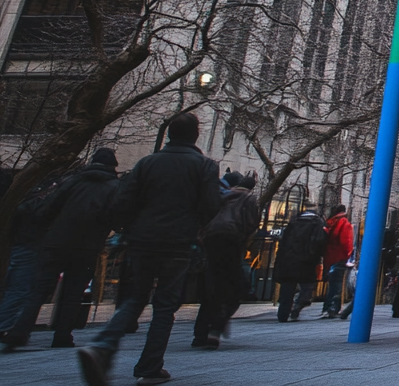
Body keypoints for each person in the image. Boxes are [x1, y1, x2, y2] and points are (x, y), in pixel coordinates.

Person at [78, 112, 221, 386]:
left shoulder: (147, 163)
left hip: (142, 239)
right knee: (165, 305)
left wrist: (128, 229)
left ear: (169, 134)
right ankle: (150, 366)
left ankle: (103, 345)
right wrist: (196, 226)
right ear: (195, 136)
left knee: (136, 297)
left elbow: (122, 201)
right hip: (178, 241)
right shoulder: (203, 166)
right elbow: (211, 205)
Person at [3, 149, 120, 352]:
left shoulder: (72, 181)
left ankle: (19, 332)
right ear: (113, 167)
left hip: (57, 242)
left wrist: (48, 229)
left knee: (40, 289)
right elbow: (117, 217)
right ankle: (63, 334)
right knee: (74, 292)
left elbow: (48, 208)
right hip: (87, 246)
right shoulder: (115, 187)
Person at [191, 172, 259, 348]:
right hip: (231, 241)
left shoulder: (222, 195)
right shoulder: (249, 199)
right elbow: (252, 223)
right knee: (235, 289)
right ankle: (216, 328)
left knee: (211, 287)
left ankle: (200, 334)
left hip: (210, 242)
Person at [0, 177, 57, 337]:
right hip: (28, 246)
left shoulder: (21, 203)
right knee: (19, 289)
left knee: (17, 288)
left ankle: (7, 324)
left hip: (22, 245)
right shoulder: (33, 205)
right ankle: (4, 324)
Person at [273, 202, 328, 322]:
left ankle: (283, 314)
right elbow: (320, 242)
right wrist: (315, 255)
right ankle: (297, 307)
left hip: (289, 260)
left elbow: (283, 243)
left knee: (287, 288)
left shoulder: (293, 223)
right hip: (307, 261)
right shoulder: (317, 223)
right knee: (308, 287)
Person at [320, 204, 354, 318]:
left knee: (332, 283)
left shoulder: (330, 222)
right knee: (338, 284)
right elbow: (346, 241)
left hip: (329, 257)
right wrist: (348, 254)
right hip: (339, 257)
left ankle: (327, 306)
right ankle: (334, 308)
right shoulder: (344, 223)